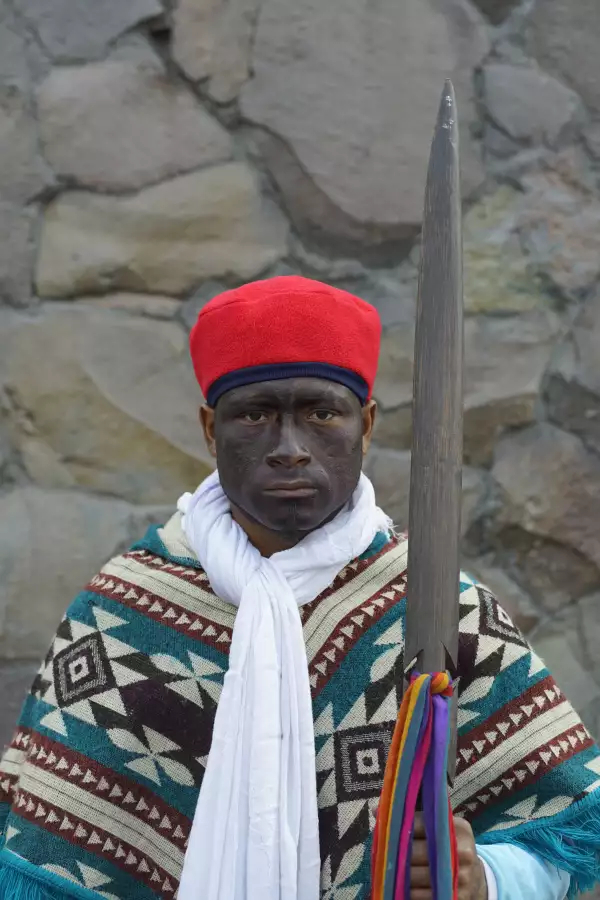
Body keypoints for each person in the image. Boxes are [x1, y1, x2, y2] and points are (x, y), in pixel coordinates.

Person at [0, 275, 599, 900]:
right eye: (255, 415)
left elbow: (564, 831)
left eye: (320, 413)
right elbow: (45, 852)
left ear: (365, 424)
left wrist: (489, 879)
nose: (289, 448)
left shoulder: (445, 610)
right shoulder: (121, 614)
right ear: (210, 429)